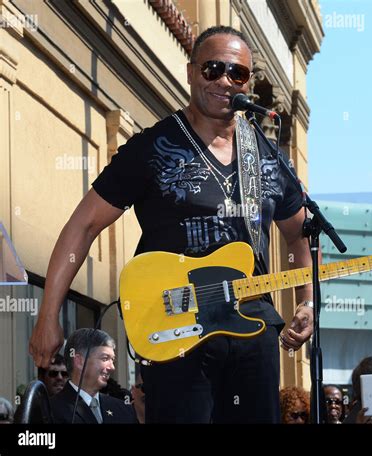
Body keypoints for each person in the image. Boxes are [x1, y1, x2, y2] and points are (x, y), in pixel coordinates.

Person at [29, 25, 313, 424]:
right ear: (191, 71)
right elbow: (83, 226)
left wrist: (307, 300)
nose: (224, 81)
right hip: (176, 329)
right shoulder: (151, 148)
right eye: (212, 69)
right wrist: (47, 314)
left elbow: (300, 236)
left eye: (237, 74)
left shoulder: (266, 156)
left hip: (252, 332)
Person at [50, 328, 136, 424]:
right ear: (80, 361)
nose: (112, 367)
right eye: (105, 358)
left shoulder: (124, 410)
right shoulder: (50, 411)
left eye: (112, 360)